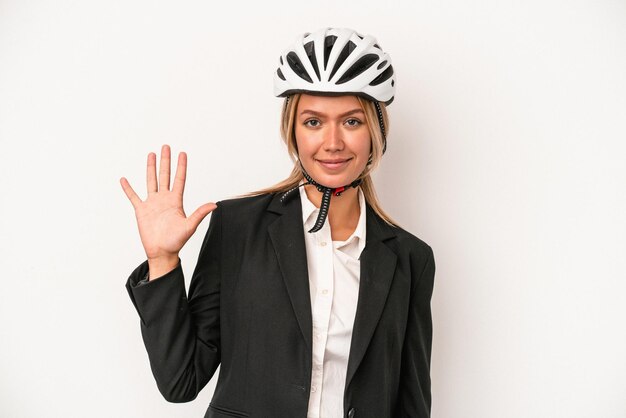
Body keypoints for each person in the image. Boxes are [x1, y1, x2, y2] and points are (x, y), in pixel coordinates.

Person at [120, 27, 436, 418]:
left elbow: (411, 404)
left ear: (376, 132)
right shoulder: (236, 228)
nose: (333, 142)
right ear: (293, 130)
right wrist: (163, 261)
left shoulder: (410, 260)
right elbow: (180, 381)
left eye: (351, 122)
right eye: (314, 122)